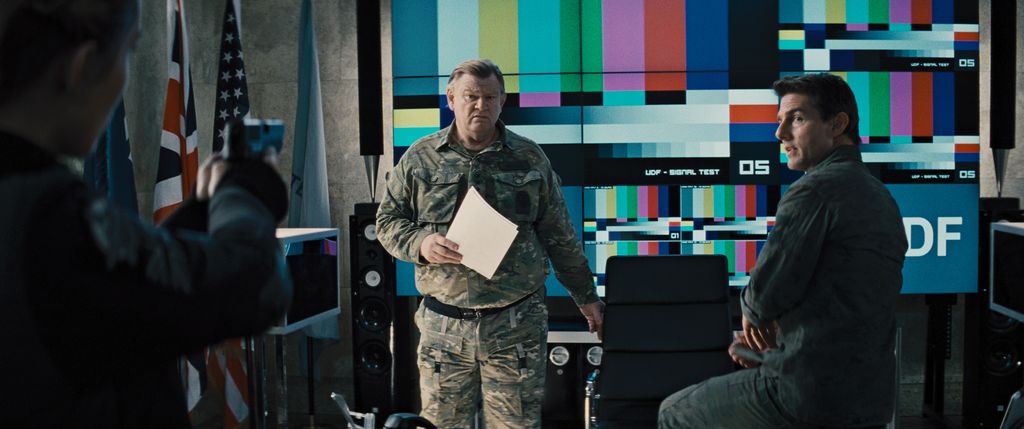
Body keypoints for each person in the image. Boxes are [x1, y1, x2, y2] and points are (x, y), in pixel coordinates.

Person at [0, 1, 291, 427]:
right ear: (81, 66)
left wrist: (201, 208)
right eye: (128, 52)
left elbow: (121, 290)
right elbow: (255, 287)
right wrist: (244, 190)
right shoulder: (49, 216)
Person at [658, 73, 909, 429]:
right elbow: (837, 304)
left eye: (797, 119)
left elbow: (762, 298)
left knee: (674, 412)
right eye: (780, 121)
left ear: (838, 124)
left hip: (807, 394)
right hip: (870, 401)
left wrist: (753, 319)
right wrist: (767, 337)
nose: (780, 134)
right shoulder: (881, 197)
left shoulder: (814, 191)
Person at [376, 59, 604, 429]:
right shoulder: (420, 158)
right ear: (451, 99)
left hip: (515, 327)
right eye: (470, 96)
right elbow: (387, 222)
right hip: (444, 330)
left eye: (489, 97)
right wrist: (421, 242)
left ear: (502, 101)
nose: (480, 105)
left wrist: (587, 297)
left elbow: (560, 236)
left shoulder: (529, 158)